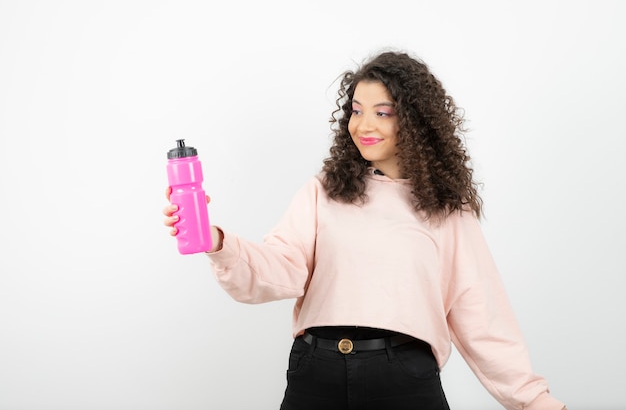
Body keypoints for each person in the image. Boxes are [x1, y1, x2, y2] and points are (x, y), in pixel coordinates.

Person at [163, 50, 567, 410]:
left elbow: (483, 317)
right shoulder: (325, 190)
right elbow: (281, 271)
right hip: (314, 372)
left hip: (403, 379)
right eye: (356, 110)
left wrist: (533, 401)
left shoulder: (446, 209)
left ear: (414, 120)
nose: (364, 124)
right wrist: (217, 242)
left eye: (383, 111)